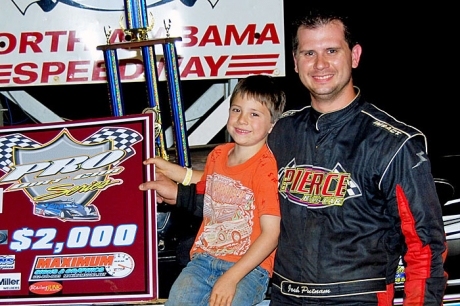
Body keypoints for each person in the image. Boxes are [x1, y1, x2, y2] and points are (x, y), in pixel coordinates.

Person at [140, 8, 448, 305]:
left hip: (355, 298)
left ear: (354, 56)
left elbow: (425, 248)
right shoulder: (280, 132)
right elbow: (236, 194)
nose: (320, 64)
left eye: (331, 51)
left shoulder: (394, 145)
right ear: (295, 62)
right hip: (285, 296)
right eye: (308, 53)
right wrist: (177, 194)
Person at [141, 74, 286, 306]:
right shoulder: (218, 154)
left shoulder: (266, 167)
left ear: (272, 124)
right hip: (202, 261)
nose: (242, 120)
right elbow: (212, 181)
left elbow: (271, 234)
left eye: (254, 114)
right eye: (237, 110)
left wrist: (231, 277)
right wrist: (168, 169)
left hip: (248, 270)